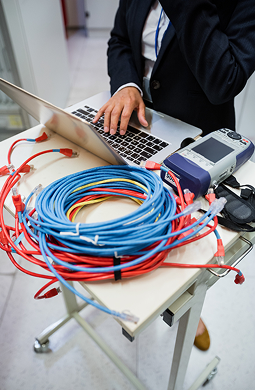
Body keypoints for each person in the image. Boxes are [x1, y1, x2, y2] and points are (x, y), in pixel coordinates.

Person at [93, 0, 255, 350]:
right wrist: (127, 85)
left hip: (196, 139)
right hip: (136, 123)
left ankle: (188, 312)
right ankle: (128, 284)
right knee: (123, 217)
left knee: (180, 248)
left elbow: (224, 79)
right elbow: (120, 39)